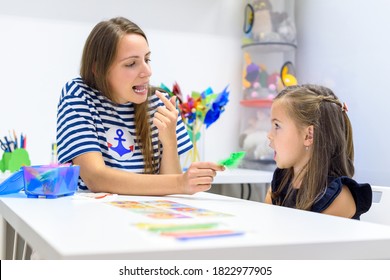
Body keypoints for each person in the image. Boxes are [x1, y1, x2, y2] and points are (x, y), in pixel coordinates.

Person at [56, 17, 224, 196]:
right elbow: (96, 178)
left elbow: (172, 192)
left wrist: (169, 141)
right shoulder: (79, 93)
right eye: (131, 63)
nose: (147, 72)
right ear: (98, 69)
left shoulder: (159, 103)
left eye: (147, 59)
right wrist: (180, 182)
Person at [265, 84, 372, 220]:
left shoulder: (338, 197)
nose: (269, 135)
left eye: (277, 126)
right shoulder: (280, 182)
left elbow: (300, 239)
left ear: (309, 135)